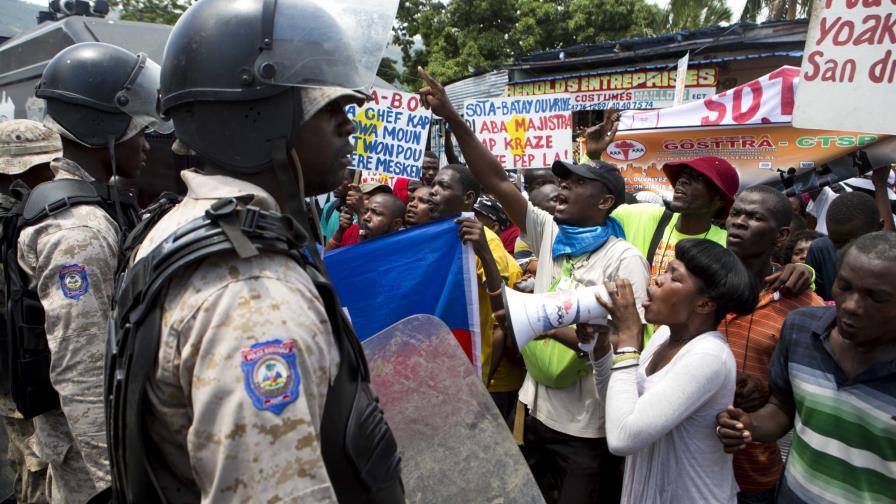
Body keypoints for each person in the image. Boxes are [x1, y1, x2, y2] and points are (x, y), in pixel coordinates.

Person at [104, 0, 404, 501]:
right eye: (327, 108)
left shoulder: (180, 224)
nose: (347, 124)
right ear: (258, 117)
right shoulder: (256, 294)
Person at [418, 67, 649, 504]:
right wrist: (451, 116)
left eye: (577, 182)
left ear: (604, 203)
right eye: (562, 180)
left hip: (584, 427)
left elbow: (624, 345)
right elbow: (495, 179)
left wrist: (538, 322)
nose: (562, 187)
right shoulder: (547, 231)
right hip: (534, 407)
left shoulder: (624, 259)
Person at [9, 41, 163, 502]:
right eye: (138, 129)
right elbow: (82, 364)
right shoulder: (80, 230)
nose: (147, 143)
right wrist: (112, 481)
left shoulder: (82, 199)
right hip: (88, 452)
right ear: (105, 129)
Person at [717, 231, 896, 504]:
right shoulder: (801, 328)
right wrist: (749, 424)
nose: (852, 306)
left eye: (877, 298)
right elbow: (782, 408)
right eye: (844, 286)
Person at [590, 239, 759, 504]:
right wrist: (600, 349)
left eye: (674, 277)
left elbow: (623, 439)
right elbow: (618, 408)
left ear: (704, 305)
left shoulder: (709, 356)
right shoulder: (664, 337)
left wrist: (629, 340)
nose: (657, 280)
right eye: (666, 270)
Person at [721, 186, 825, 503]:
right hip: (689, 461)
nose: (739, 222)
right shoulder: (699, 284)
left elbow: (811, 400)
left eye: (753, 217)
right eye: (736, 213)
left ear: (780, 237)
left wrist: (767, 391)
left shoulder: (806, 308)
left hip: (751, 473)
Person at [429, 164, 523, 419]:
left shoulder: (486, 242)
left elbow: (502, 316)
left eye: (444, 186)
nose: (432, 192)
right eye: (433, 185)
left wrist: (482, 251)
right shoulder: (436, 236)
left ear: (469, 198)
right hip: (437, 372)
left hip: (473, 376)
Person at [0, 119, 58, 504]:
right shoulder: (17, 223)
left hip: (18, 378)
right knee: (36, 470)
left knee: (25, 462)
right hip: (26, 378)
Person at [805, 190, 883, 301]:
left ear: (879, 229)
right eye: (836, 244)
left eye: (853, 243)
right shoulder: (820, 250)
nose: (844, 251)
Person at [326, 182, 392, 250]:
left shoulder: (385, 229)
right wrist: (340, 230)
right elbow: (327, 255)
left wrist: (360, 210)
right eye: (369, 198)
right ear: (355, 200)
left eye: (380, 198)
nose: (375, 202)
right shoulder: (352, 229)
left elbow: (365, 238)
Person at [320, 168, 354, 241]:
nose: (336, 183)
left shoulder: (365, 213)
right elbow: (324, 241)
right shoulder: (328, 207)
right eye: (334, 178)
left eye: (343, 179)